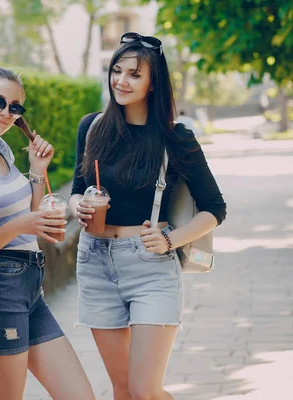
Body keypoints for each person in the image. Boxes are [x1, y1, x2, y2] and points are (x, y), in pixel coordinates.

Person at [69, 33, 226, 400]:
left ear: (154, 82)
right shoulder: (92, 127)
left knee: (144, 390)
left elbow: (214, 208)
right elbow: (77, 188)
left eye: (134, 75)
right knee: (122, 389)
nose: (120, 81)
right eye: (116, 71)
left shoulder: (176, 138)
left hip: (150, 266)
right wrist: (75, 204)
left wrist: (171, 239)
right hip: (95, 262)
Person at [0, 67, 96, 400]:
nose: (6, 112)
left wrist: (37, 172)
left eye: (15, 107)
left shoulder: (2, 150)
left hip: (30, 285)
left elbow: (31, 210)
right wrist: (22, 225)